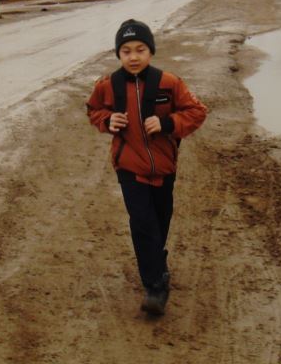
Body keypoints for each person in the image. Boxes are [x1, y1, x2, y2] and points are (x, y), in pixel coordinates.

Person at [85, 19, 208, 316]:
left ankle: (157, 260)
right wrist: (107, 121)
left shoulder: (169, 83)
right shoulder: (108, 85)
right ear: (118, 55)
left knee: (160, 220)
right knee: (142, 222)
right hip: (129, 166)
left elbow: (196, 112)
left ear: (150, 51)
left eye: (140, 49)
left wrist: (168, 123)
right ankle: (155, 286)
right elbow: (93, 109)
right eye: (126, 51)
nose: (133, 56)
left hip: (164, 167)